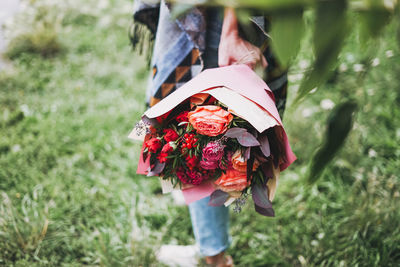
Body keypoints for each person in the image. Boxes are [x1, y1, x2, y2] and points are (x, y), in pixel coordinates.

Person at [130, 1, 288, 266]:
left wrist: (230, 31)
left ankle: (214, 257)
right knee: (200, 129)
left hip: (218, 14)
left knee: (208, 131)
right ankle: (204, 222)